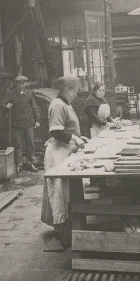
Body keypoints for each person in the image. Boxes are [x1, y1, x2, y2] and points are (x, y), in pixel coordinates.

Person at [41, 76, 88, 247]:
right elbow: (56, 131)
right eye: (75, 90)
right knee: (60, 192)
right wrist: (75, 138)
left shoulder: (65, 104)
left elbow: (68, 127)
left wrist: (78, 136)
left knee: (67, 191)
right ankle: (63, 231)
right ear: (67, 89)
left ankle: (72, 226)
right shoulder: (57, 105)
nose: (76, 94)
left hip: (66, 151)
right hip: (57, 153)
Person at [2, 75, 41, 173]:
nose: (21, 85)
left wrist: (37, 120)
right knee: (18, 145)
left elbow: (34, 107)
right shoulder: (10, 93)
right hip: (16, 123)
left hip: (29, 123)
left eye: (23, 83)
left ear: (26, 84)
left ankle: (31, 163)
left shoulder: (29, 94)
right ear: (16, 84)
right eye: (19, 83)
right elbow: (2, 103)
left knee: (30, 143)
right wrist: (6, 105)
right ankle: (19, 164)